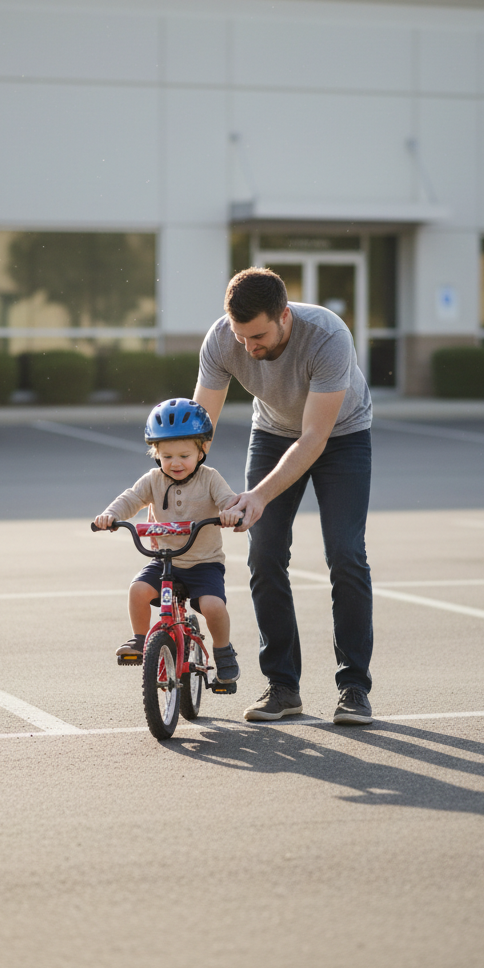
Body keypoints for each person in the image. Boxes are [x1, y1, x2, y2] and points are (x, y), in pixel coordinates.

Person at [195, 267, 374, 726]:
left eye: (258, 336)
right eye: (241, 337)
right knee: (265, 554)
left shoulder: (328, 336)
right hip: (273, 432)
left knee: (346, 554)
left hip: (341, 437)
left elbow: (315, 438)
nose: (249, 348)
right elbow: (201, 430)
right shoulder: (222, 340)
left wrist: (257, 495)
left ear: (284, 317)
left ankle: (353, 687)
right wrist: (178, 483)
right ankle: (282, 686)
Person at [93, 398, 241, 684]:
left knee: (213, 606)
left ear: (202, 451)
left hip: (203, 563)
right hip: (164, 561)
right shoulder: (152, 480)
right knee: (137, 589)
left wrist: (231, 513)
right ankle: (139, 639)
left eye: (184, 455)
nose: (175, 463)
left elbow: (227, 501)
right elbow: (131, 499)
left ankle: (223, 651)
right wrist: (110, 515)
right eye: (167, 456)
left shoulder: (210, 479)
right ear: (155, 452)